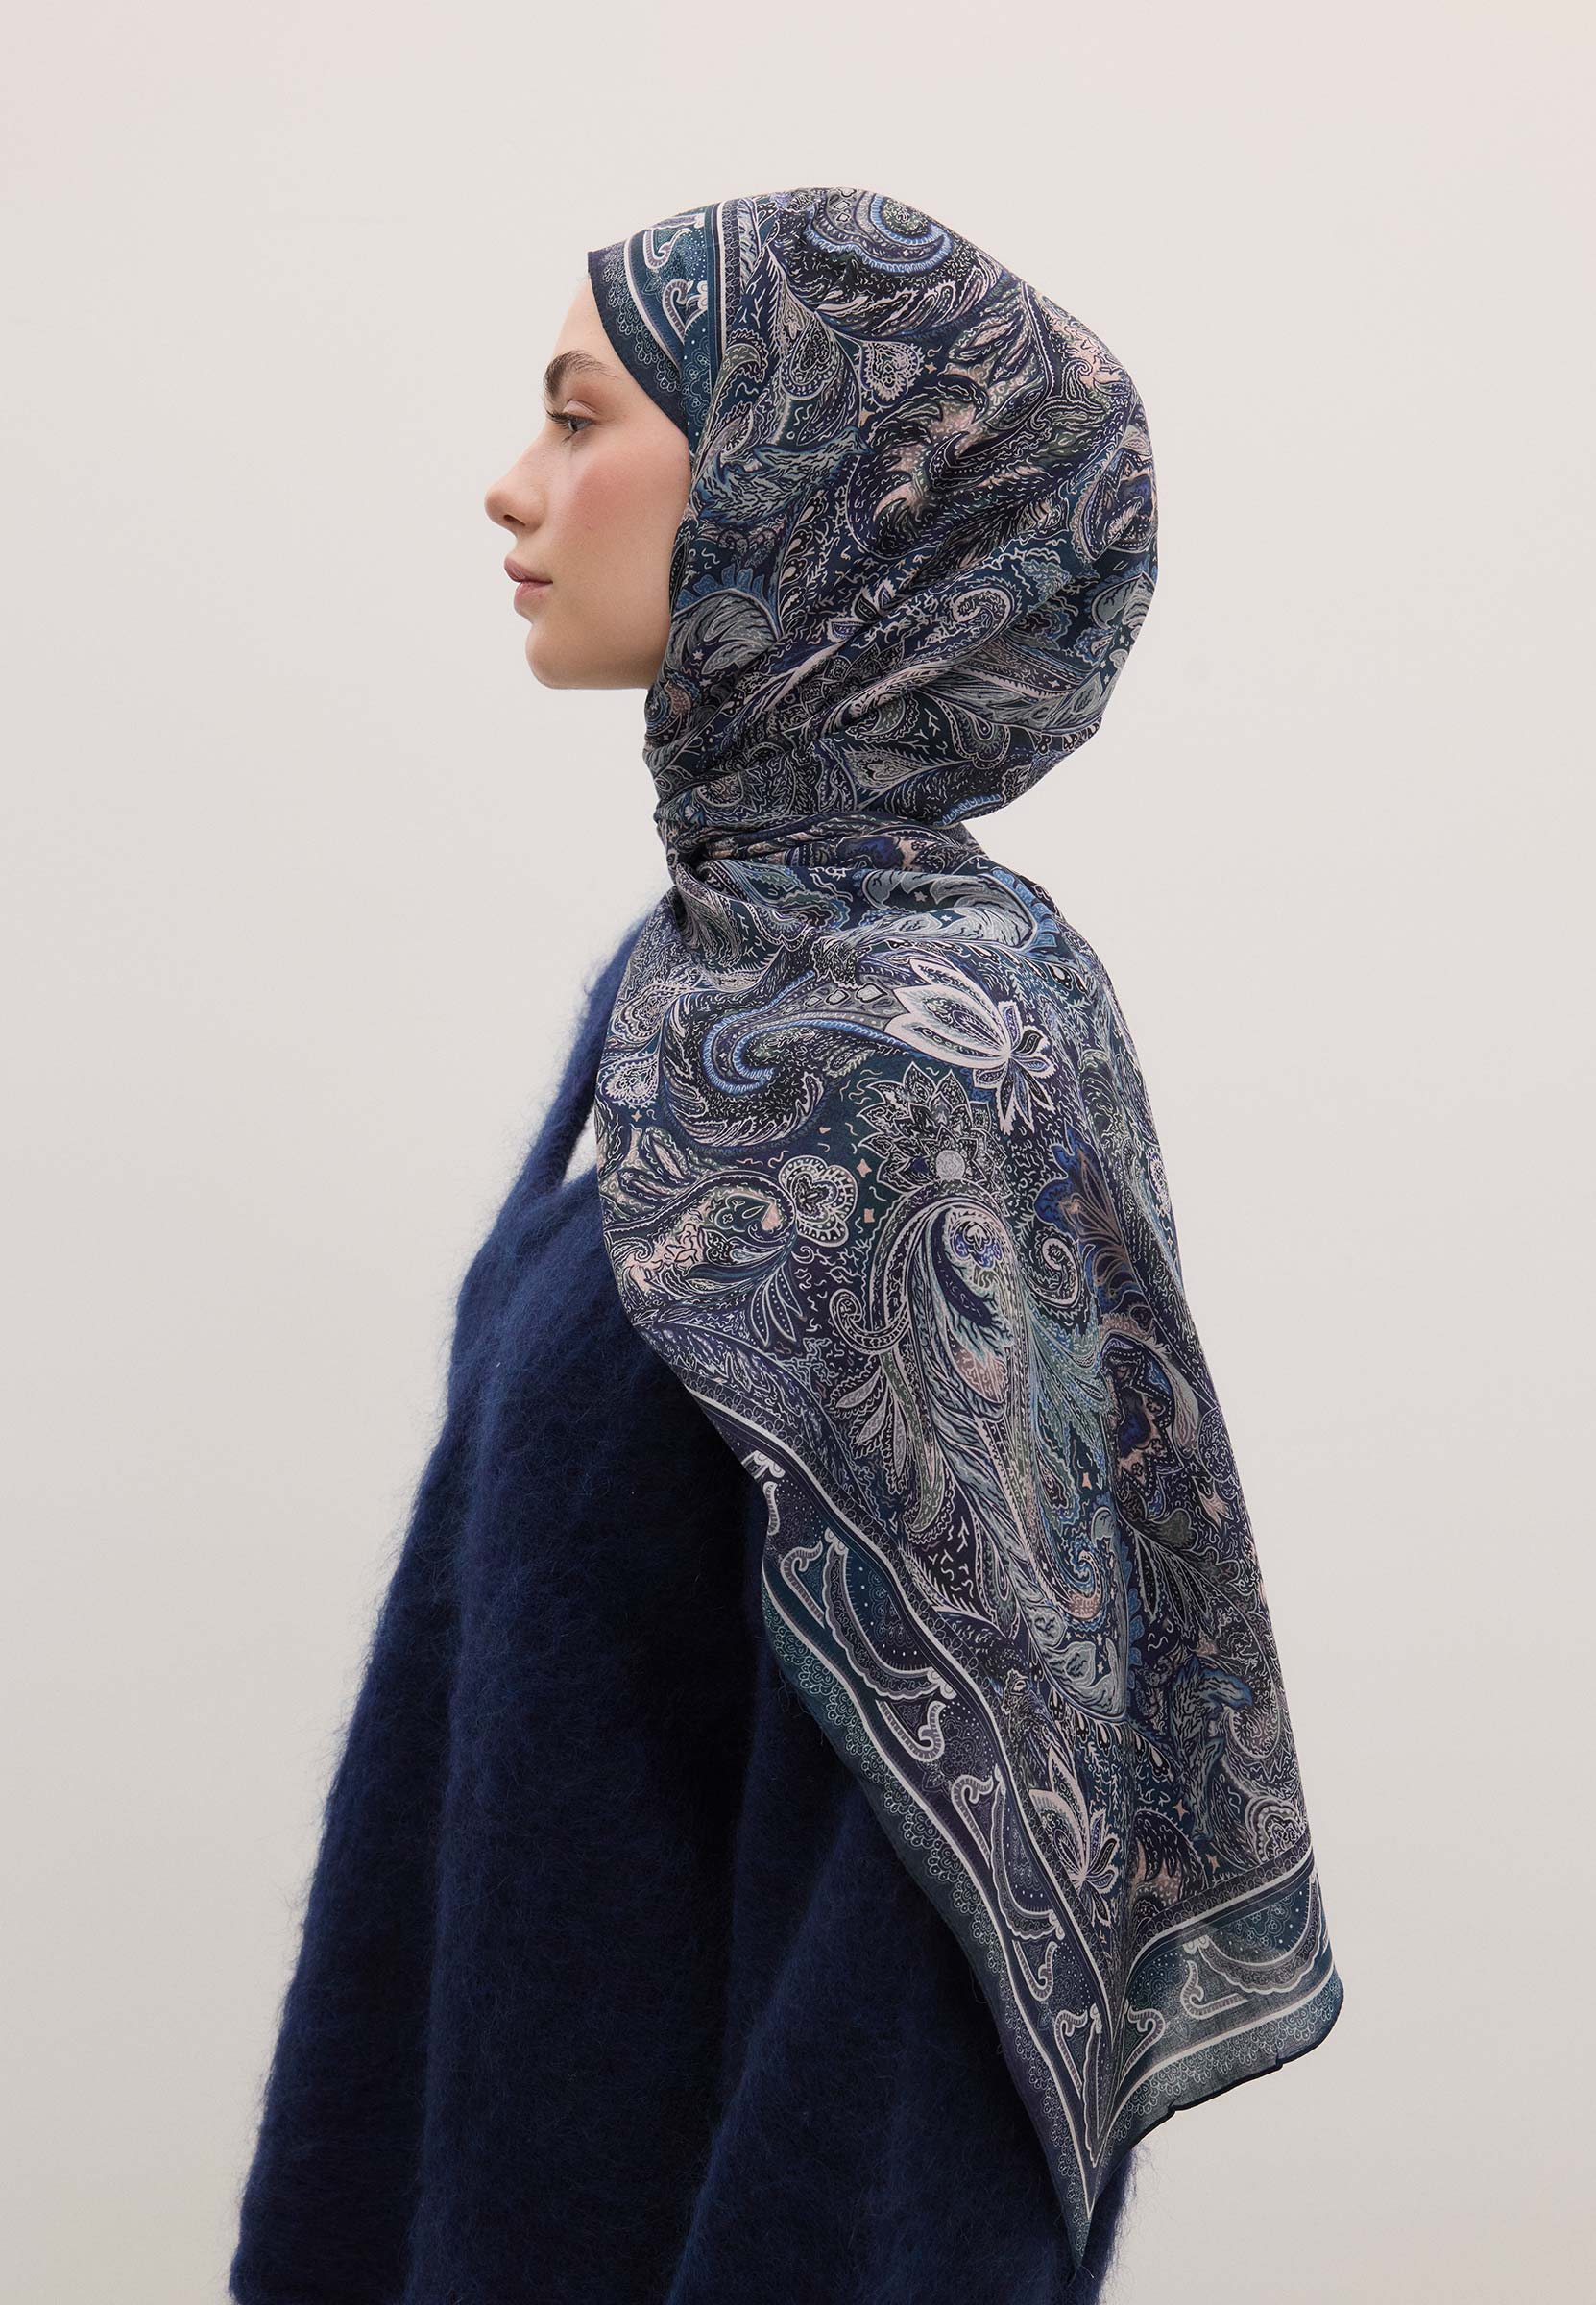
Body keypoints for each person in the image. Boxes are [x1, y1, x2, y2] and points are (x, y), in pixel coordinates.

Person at [230, 186, 1340, 2305]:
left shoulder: (923, 1069)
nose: (514, 484)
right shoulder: (693, 995)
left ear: (802, 486)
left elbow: (933, 1924)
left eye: (579, 418)